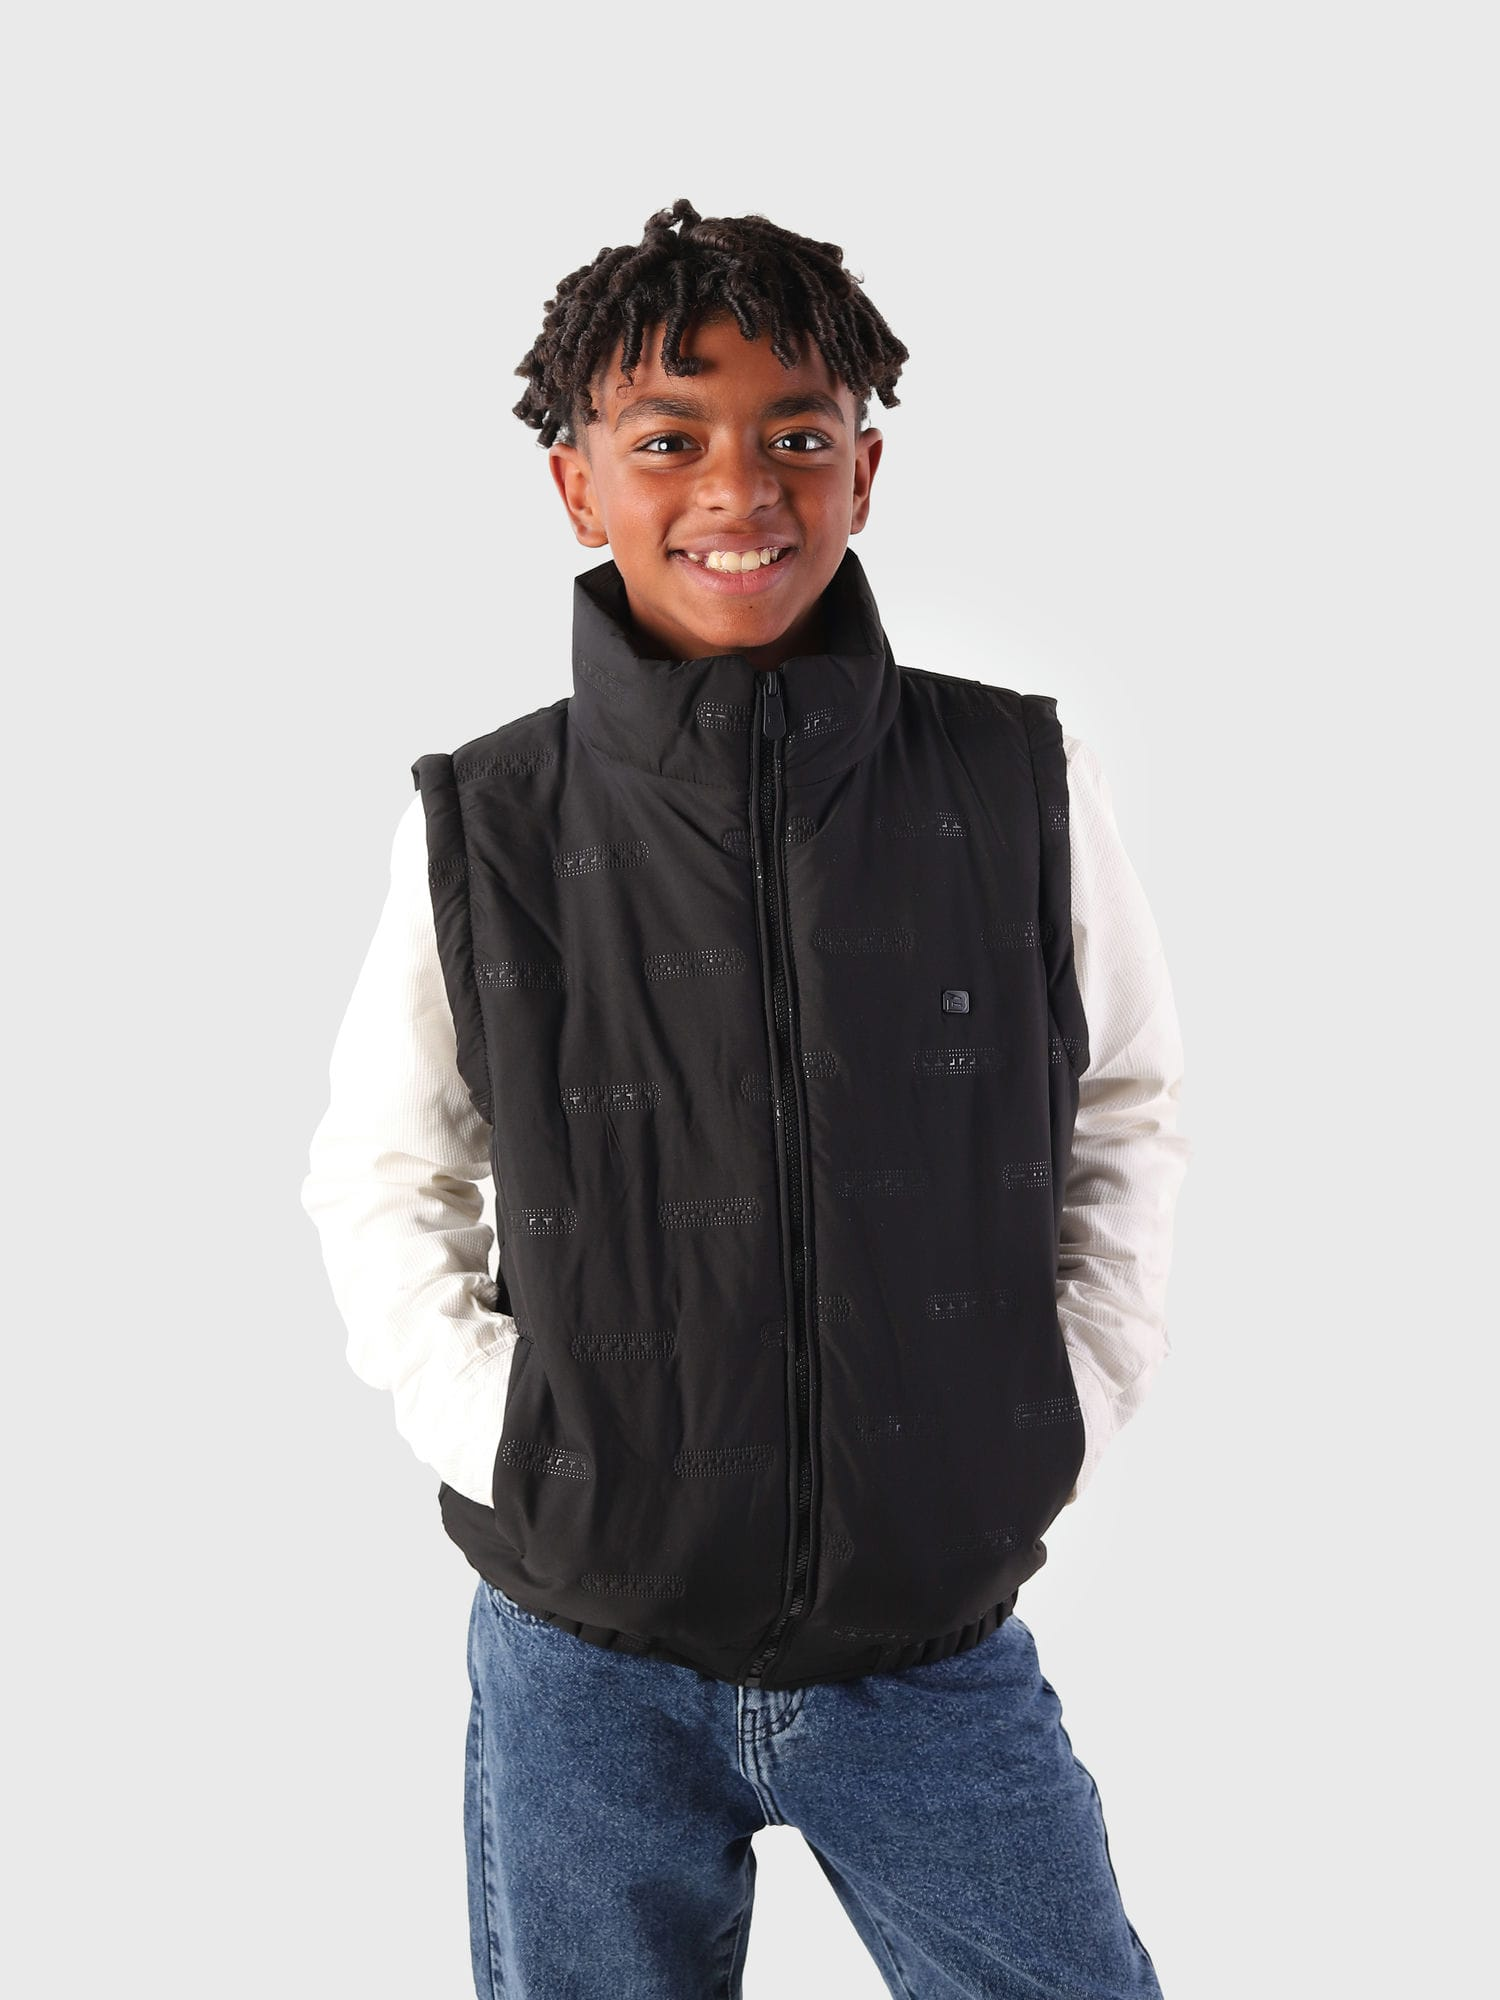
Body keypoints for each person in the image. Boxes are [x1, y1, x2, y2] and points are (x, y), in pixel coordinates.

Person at [301, 197, 1190, 1999]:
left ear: (865, 469)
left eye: (796, 436)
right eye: (668, 441)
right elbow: (385, 1176)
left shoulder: (1016, 777)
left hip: (928, 1649)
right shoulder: (491, 822)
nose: (739, 489)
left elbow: (1124, 1109)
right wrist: (520, 1443)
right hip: (585, 1661)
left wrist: (1058, 1411)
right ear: (578, 486)